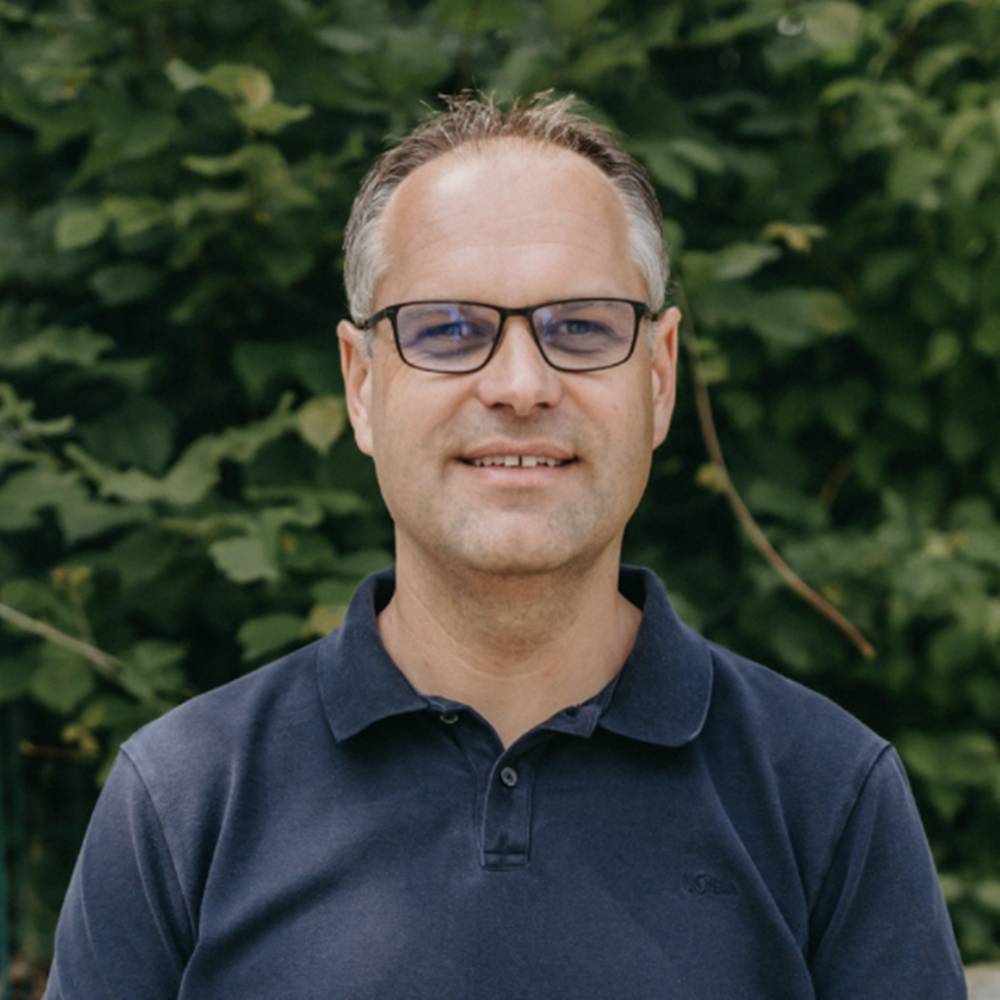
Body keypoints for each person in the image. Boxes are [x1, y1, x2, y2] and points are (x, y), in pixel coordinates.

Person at [44, 93, 965, 999]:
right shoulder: (183, 800)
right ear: (361, 385)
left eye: (582, 327)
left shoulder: (827, 795)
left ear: (659, 376)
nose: (521, 385)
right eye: (450, 330)